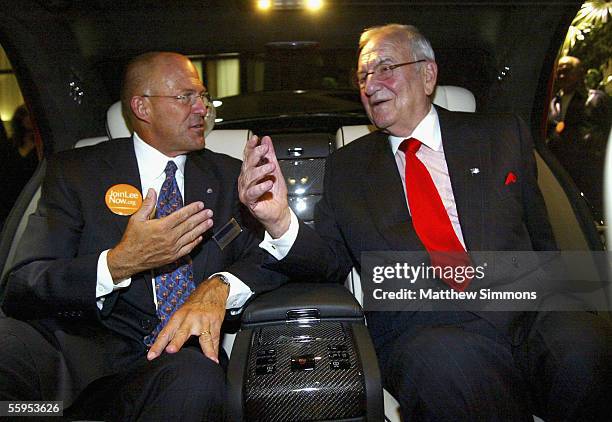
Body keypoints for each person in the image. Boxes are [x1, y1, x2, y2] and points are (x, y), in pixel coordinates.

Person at [238, 24, 612, 420]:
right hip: (430, 327)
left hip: (528, 309)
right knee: (451, 367)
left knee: (586, 345)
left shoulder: (501, 134)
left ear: (428, 74)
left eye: (384, 68)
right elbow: (330, 261)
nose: (370, 85)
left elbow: (544, 239)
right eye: (363, 76)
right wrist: (279, 221)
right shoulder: (348, 168)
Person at [0, 52, 285, 421]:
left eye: (203, 96)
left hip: (182, 365)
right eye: (186, 97)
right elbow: (22, 286)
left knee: (195, 379)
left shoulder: (232, 176)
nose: (202, 108)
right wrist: (119, 264)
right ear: (142, 107)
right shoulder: (76, 172)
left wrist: (220, 285)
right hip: (81, 370)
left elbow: (277, 257)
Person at [547, 55, 611, 222]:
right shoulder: (552, 104)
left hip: (590, 176)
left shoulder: (597, 100)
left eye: (567, 71)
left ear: (580, 73)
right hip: (561, 175)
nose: (562, 76)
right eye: (558, 72)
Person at [0, 104, 39, 226]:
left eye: (30, 115)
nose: (28, 119)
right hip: (8, 196)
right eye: (24, 115)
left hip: (30, 195)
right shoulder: (10, 145)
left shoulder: (41, 147)